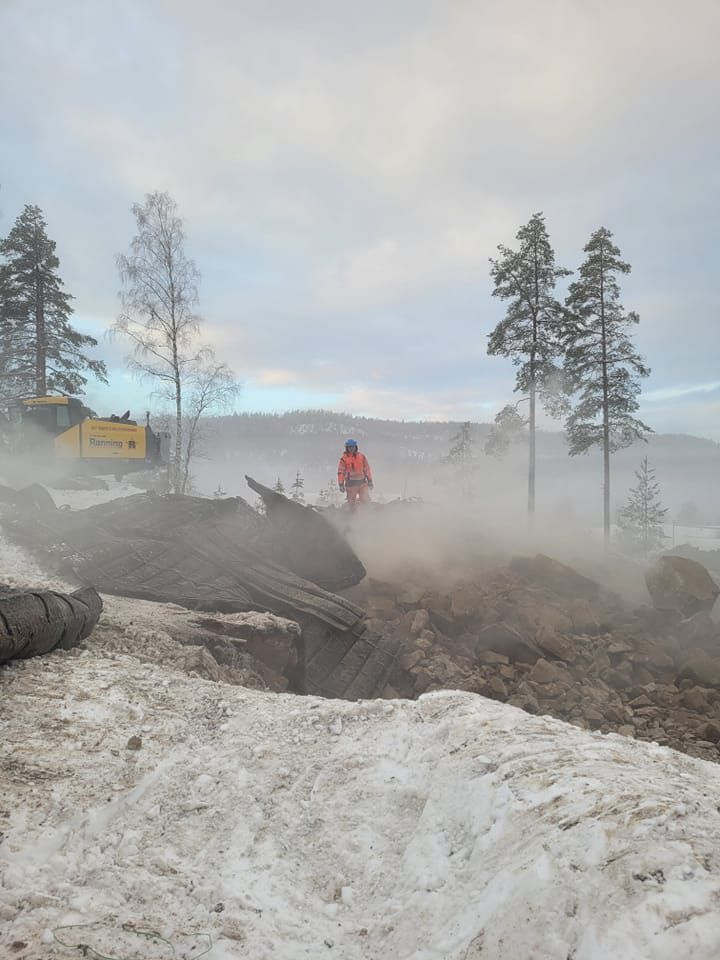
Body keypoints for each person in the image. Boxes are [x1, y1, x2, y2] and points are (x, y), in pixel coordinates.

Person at [337, 439, 373, 506]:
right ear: (347, 448)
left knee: (366, 501)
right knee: (351, 504)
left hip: (362, 483)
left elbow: (367, 469)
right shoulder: (343, 459)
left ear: (355, 447)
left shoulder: (361, 457)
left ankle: (368, 514)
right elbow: (341, 472)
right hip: (350, 484)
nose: (351, 449)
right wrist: (341, 484)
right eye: (349, 447)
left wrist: (370, 481)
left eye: (352, 447)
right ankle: (350, 515)